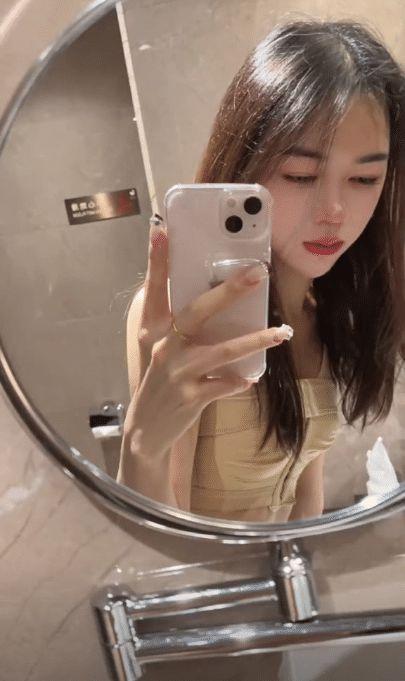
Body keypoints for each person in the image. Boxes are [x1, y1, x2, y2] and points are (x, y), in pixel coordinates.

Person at [117, 17, 405, 523]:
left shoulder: (320, 310)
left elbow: (306, 498)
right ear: (245, 169)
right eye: (301, 175)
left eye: (364, 178)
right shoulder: (184, 315)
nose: (334, 211)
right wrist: (141, 442)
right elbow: (163, 539)